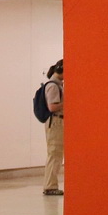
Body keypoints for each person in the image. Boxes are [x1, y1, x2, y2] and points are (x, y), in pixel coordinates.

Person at [42, 60, 64, 195]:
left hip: (57, 122)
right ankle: (50, 186)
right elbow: (52, 107)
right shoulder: (53, 86)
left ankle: (51, 185)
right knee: (54, 154)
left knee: (56, 154)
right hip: (55, 122)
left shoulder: (57, 85)